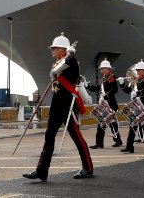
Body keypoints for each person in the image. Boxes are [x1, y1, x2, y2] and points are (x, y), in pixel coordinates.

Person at [23, 33, 93, 181]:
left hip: (68, 106)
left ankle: (88, 167)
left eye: (55, 48)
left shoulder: (71, 60)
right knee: (49, 137)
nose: (52, 50)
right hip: (56, 107)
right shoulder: (57, 63)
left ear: (63, 49)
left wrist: (55, 72)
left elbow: (68, 61)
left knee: (77, 137)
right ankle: (41, 171)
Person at [119, 60, 144, 153]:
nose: (138, 71)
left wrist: (138, 93)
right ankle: (129, 146)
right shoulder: (135, 81)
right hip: (135, 105)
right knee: (133, 124)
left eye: (139, 70)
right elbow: (128, 91)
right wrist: (122, 84)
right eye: (137, 70)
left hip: (142, 104)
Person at [85, 58, 123, 149]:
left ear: (107, 68)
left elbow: (114, 90)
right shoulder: (103, 79)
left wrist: (106, 96)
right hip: (103, 103)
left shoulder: (112, 77)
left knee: (111, 122)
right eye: (101, 69)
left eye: (102, 68)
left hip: (110, 103)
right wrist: (87, 86)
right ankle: (101, 143)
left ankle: (116, 141)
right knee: (102, 122)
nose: (101, 70)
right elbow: (96, 88)